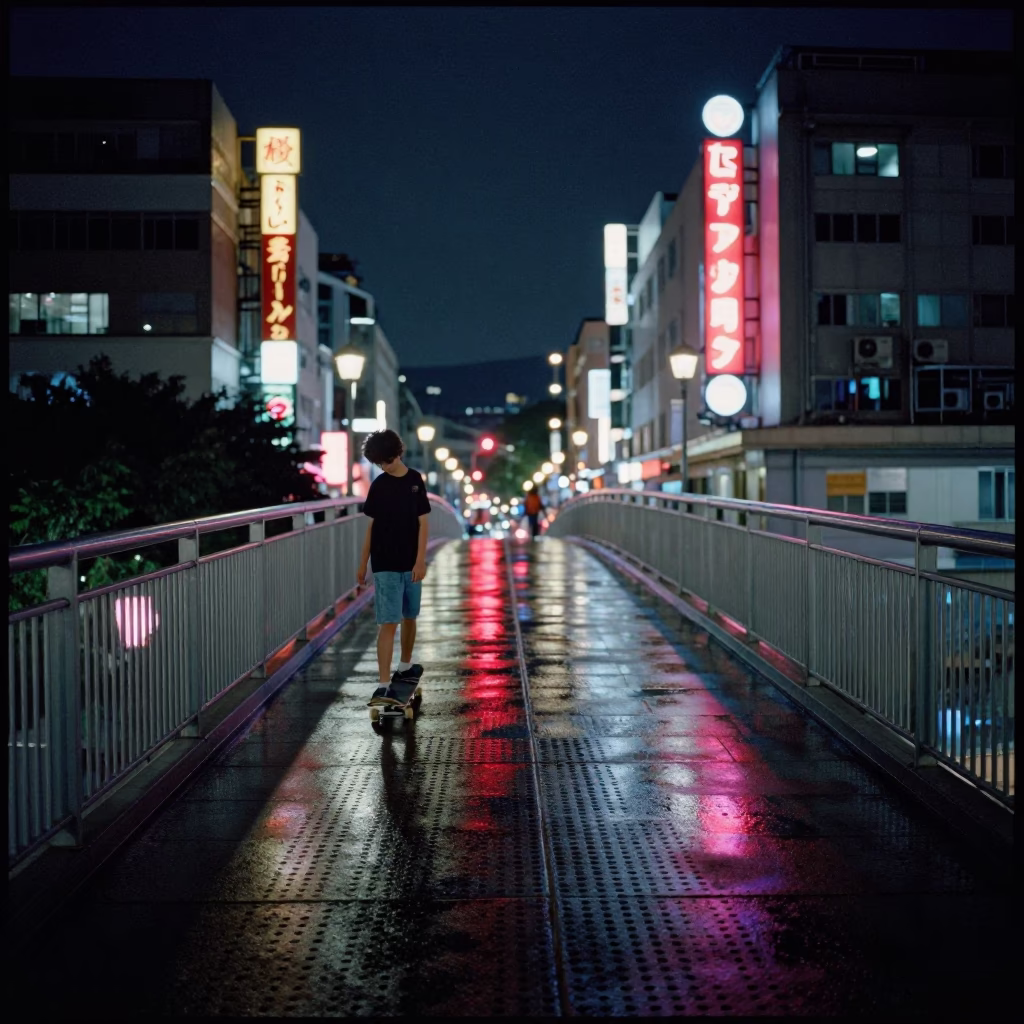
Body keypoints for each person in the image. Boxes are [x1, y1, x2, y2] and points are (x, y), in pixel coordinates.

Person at [357, 429, 431, 704]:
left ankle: (405, 665)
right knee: (388, 621)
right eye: (379, 464)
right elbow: (371, 528)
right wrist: (362, 563)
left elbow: (424, 523)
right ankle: (383, 683)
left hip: (411, 562)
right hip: (385, 562)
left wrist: (420, 559)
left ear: (397, 453)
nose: (383, 467)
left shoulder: (415, 481)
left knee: (410, 615)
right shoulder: (379, 485)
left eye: (385, 461)